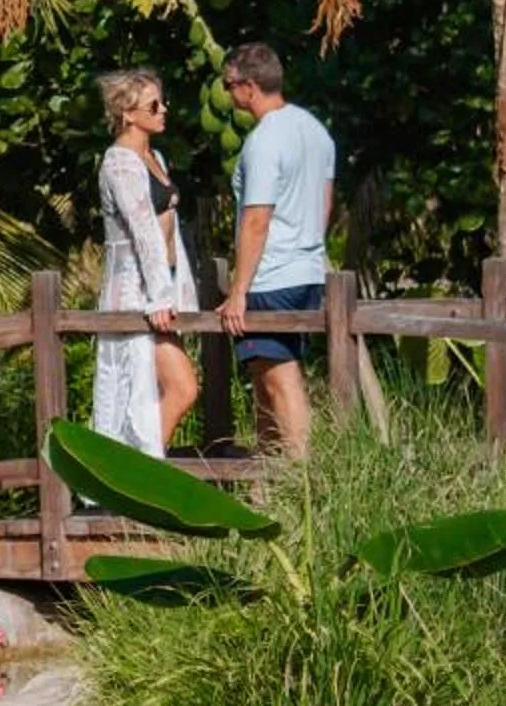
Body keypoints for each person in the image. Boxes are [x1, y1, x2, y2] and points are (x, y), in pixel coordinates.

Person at [215, 42, 335, 459]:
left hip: (271, 276)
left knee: (281, 380)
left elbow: (256, 219)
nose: (228, 94)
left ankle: (306, 478)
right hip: (306, 271)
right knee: (264, 378)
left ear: (249, 87)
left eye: (229, 85)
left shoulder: (264, 140)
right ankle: (269, 479)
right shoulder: (315, 130)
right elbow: (324, 202)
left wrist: (239, 290)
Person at [90, 68, 201, 456]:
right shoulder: (119, 163)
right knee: (176, 388)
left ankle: (137, 474)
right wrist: (157, 298)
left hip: (161, 294)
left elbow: (167, 236)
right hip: (137, 297)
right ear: (128, 113)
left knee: (173, 390)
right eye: (154, 104)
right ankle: (137, 475)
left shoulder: (154, 157)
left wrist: (173, 293)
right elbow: (142, 232)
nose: (164, 109)